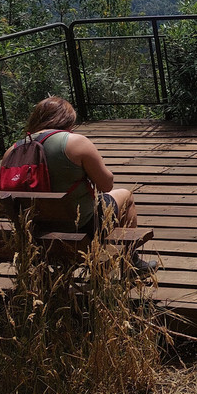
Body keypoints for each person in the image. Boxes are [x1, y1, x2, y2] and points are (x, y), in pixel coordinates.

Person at [15, 95, 158, 276]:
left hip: (35, 228)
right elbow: (106, 185)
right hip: (81, 226)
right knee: (125, 195)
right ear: (67, 120)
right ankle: (132, 262)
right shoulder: (75, 142)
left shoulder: (14, 149)